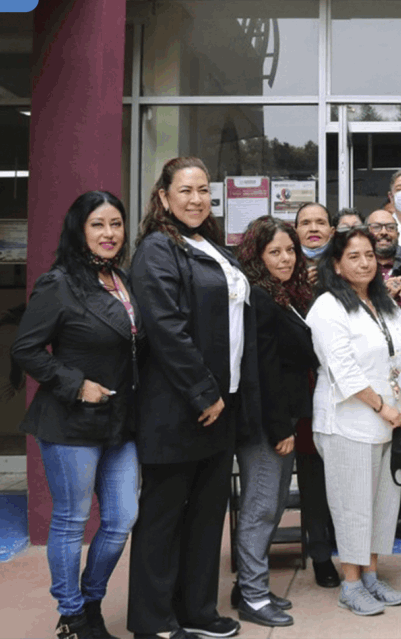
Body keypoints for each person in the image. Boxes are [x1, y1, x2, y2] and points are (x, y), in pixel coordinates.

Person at [129, 157, 256, 639]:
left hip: (222, 405)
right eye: (185, 190)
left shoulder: (212, 247)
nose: (196, 199)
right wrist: (203, 392)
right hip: (180, 408)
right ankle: (154, 621)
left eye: (203, 189)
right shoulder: (157, 250)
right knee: (165, 517)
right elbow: (166, 329)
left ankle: (198, 611)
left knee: (206, 517)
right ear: (163, 196)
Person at [12, 191, 140, 639]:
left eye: (116, 224)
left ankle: (90, 600)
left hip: (119, 422)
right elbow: (25, 349)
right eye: (98, 225)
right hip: (70, 421)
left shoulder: (121, 279)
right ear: (80, 230)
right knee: (70, 520)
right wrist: (76, 383)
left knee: (123, 517)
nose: (109, 234)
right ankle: (72, 615)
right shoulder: (60, 282)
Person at [306, 227, 401, 617]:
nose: (364, 262)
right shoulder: (327, 308)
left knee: (381, 503)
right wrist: (383, 406)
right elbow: (343, 369)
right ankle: (350, 584)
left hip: (391, 420)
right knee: (352, 505)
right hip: (347, 421)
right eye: (353, 256)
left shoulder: (386, 304)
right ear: (336, 264)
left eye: (369, 254)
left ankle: (370, 575)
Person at [230, 216, 318, 628]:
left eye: (290, 250)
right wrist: (280, 427)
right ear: (255, 256)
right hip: (269, 424)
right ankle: (252, 595)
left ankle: (250, 586)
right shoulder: (258, 300)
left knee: (272, 503)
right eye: (274, 252)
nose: (285, 258)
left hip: (282, 419)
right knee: (262, 507)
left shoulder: (281, 295)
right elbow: (263, 371)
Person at [366, 207, 401, 541]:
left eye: (390, 227)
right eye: (377, 227)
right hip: (369, 378)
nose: (384, 232)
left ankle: (400, 514)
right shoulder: (355, 267)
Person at [293, 203, 341, 587]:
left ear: (332, 229)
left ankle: (348, 544)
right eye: (305, 223)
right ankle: (321, 554)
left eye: (319, 222)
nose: (313, 229)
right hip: (306, 391)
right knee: (312, 476)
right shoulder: (285, 272)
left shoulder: (344, 267)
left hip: (348, 389)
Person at [296, 202, 334, 270]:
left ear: (332, 232)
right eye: (305, 223)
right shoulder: (287, 262)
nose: (313, 229)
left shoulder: (343, 263)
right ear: (296, 232)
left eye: (321, 223)